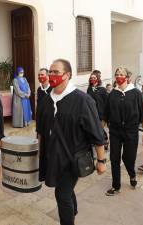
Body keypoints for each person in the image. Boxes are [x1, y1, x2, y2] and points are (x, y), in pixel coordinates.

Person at [36, 59, 106, 225]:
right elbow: (41, 131)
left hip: (73, 157)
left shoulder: (83, 100)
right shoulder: (46, 101)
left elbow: (96, 133)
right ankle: (72, 210)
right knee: (64, 190)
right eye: (50, 71)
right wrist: (40, 152)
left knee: (61, 194)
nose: (51, 75)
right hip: (53, 156)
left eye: (56, 72)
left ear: (67, 75)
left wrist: (101, 160)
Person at [103, 67, 143, 195]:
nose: (118, 76)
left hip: (131, 131)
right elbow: (105, 115)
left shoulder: (136, 93)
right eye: (116, 74)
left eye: (121, 74)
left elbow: (142, 115)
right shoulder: (112, 94)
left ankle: (132, 175)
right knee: (114, 158)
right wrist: (100, 131)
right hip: (115, 131)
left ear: (127, 77)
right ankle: (116, 186)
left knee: (128, 158)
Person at [87, 70, 109, 149]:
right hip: (92, 112)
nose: (92, 79)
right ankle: (99, 141)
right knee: (96, 127)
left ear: (98, 79)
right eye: (91, 78)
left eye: (94, 78)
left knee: (100, 128)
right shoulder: (89, 89)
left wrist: (106, 114)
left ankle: (105, 140)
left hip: (100, 112)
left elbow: (106, 102)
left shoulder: (102, 89)